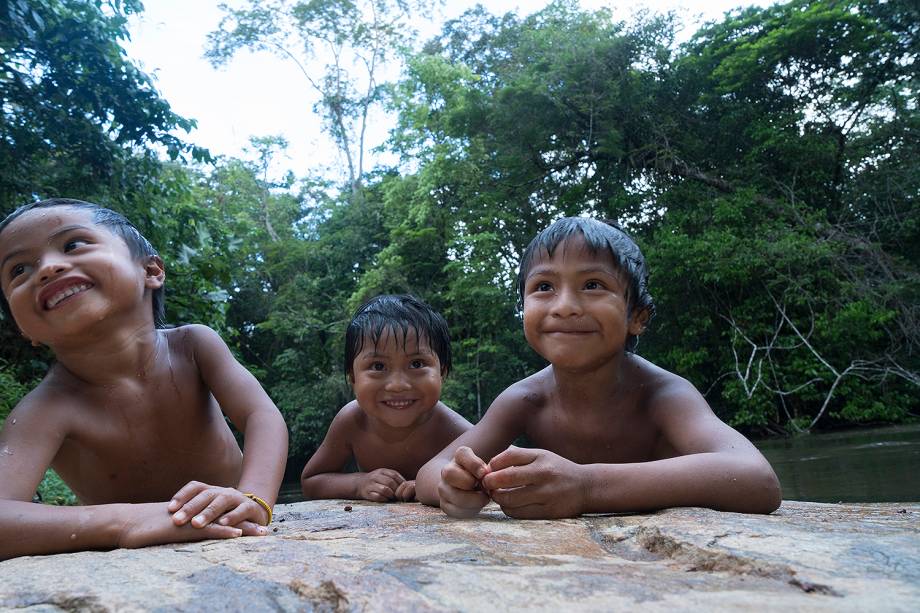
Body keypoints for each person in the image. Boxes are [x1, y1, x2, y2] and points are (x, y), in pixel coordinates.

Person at [416, 217, 782, 519]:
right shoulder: (524, 399)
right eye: (544, 286)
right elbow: (429, 473)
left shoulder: (663, 395)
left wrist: (586, 487)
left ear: (636, 317)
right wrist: (458, 485)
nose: (565, 306)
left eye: (593, 285)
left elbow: (757, 479)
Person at [0, 198, 288, 560]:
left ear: (150, 270)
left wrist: (254, 498)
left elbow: (262, 416)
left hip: (233, 523)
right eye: (18, 270)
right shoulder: (45, 409)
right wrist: (123, 522)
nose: (46, 268)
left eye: (72, 244)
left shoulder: (194, 345)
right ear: (25, 329)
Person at [301, 294, 471, 503]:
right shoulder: (351, 420)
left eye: (417, 364)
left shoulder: (447, 424)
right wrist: (358, 483)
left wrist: (433, 484)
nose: (397, 385)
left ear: (442, 373)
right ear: (353, 378)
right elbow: (311, 481)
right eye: (378, 366)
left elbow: (494, 467)